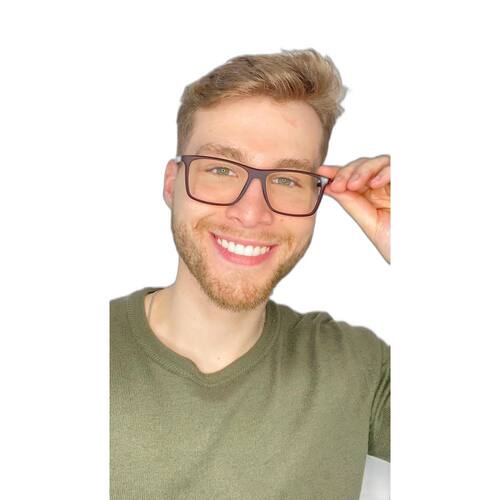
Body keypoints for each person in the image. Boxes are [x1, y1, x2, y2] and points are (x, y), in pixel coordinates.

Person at [110, 48, 391, 499]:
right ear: (171, 184)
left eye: (286, 179)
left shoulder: (359, 368)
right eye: (222, 169)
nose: (251, 212)